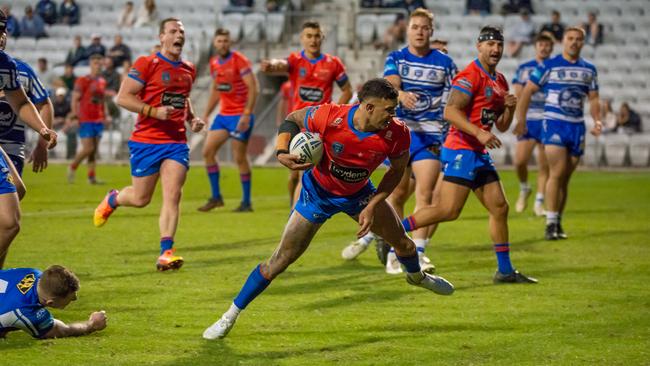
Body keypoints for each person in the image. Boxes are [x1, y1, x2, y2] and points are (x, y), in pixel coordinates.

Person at [202, 78, 455, 340]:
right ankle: (229, 316)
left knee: (405, 245)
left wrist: (373, 203)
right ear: (368, 107)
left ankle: (417, 278)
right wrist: (280, 152)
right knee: (279, 261)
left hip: (360, 195)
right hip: (316, 196)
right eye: (388, 110)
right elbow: (292, 119)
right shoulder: (329, 116)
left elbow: (397, 170)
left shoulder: (397, 132)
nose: (393, 116)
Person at [400, 26, 537, 284]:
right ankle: (394, 230)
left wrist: (510, 109)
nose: (495, 49)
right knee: (448, 210)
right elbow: (450, 112)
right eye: (490, 44)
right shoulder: (469, 76)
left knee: (499, 207)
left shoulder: (500, 81)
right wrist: (480, 133)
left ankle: (505, 271)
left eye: (499, 44)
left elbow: (503, 125)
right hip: (461, 148)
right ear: (479, 46)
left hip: (477, 151)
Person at [342, 8, 457, 275]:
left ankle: (407, 253)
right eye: (415, 27)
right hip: (400, 135)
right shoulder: (397, 57)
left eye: (424, 27)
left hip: (430, 136)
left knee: (426, 194)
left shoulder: (445, 64)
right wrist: (401, 93)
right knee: (397, 194)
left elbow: (455, 99)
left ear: (431, 31)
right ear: (408, 30)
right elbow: (391, 82)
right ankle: (377, 237)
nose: (419, 31)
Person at [93, 18, 204, 271]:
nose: (179, 35)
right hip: (146, 141)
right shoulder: (147, 63)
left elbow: (182, 99)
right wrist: (153, 112)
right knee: (141, 198)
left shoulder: (189, 68)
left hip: (175, 141)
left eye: (182, 31)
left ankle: (166, 252)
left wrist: (192, 119)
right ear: (161, 37)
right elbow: (123, 98)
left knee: (173, 194)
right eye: (173, 31)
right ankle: (114, 199)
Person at [514, 27, 601, 240]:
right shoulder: (548, 65)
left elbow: (594, 98)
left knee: (564, 179)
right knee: (557, 171)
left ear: (582, 43)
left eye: (578, 39)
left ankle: (557, 221)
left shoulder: (589, 69)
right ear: (563, 41)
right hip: (553, 124)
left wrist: (597, 120)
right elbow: (527, 91)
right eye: (570, 38)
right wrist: (522, 119)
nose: (574, 42)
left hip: (576, 127)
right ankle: (550, 223)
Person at [261, 20, 353, 207]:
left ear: (322, 38)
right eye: (309, 36)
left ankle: (295, 214)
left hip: (317, 126)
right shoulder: (296, 60)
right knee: (294, 174)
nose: (313, 40)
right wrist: (272, 64)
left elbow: (347, 90)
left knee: (305, 172)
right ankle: (293, 205)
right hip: (297, 123)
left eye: (317, 36)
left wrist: (333, 113)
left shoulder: (333, 64)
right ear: (302, 39)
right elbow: (281, 64)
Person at [0, 10, 57, 269]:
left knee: (10, 215)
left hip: (12, 147)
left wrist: (43, 132)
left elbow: (23, 102)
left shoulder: (9, 67)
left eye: (3, 30)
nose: (1, 36)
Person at [198, 29, 258, 212]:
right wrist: (207, 113)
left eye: (225, 40)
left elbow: (253, 88)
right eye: (219, 41)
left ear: (230, 42)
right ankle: (216, 197)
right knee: (207, 152)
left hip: (240, 115)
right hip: (223, 116)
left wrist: (247, 114)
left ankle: (246, 202)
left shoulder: (239, 60)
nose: (222, 43)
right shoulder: (214, 63)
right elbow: (216, 89)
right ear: (214, 43)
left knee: (239, 157)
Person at [0, 265, 107, 338]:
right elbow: (64, 330)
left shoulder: (32, 273)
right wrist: (92, 324)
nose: (75, 299)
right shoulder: (27, 312)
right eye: (71, 298)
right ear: (50, 302)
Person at [512, 33, 554, 216]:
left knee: (544, 164)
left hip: (549, 118)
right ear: (536, 46)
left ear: (551, 48)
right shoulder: (524, 68)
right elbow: (519, 94)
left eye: (547, 45)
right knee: (520, 161)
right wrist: (520, 119)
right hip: (529, 118)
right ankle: (524, 188)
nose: (544, 48)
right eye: (541, 44)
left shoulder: (554, 68)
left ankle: (539, 201)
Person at [0, 36, 54, 176]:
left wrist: (42, 144)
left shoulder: (21, 70)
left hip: (12, 148)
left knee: (16, 191)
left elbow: (44, 104)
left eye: (2, 32)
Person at [67, 55, 109, 185]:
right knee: (88, 148)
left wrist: (106, 115)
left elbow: (102, 100)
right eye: (96, 63)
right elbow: (75, 98)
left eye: (100, 63)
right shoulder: (82, 80)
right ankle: (72, 167)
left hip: (98, 119)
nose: (98, 65)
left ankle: (91, 177)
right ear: (90, 64)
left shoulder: (102, 81)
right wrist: (75, 113)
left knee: (94, 150)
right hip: (85, 118)